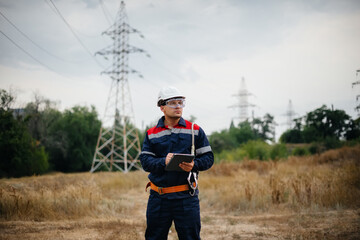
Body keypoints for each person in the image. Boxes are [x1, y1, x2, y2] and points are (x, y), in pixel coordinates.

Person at [140, 86, 214, 240]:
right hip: (158, 198)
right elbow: (146, 162)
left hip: (186, 198)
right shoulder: (151, 134)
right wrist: (163, 161)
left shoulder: (195, 130)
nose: (178, 106)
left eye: (180, 102)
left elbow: (208, 158)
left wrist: (195, 165)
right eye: (173, 103)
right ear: (162, 107)